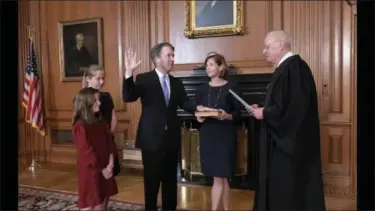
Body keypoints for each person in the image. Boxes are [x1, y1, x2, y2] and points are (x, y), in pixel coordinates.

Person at [248, 30, 326, 210]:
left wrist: (265, 113)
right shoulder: (287, 68)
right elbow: (281, 103)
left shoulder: (294, 68)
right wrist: (262, 108)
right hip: (283, 145)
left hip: (289, 149)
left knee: (288, 193)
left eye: (267, 47)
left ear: (280, 45)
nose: (264, 51)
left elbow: (294, 111)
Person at [122, 42, 196, 210]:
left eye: (173, 55)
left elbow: (185, 103)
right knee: (151, 185)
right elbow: (128, 96)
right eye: (168, 55)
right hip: (151, 141)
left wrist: (200, 109)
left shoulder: (177, 83)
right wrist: (128, 73)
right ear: (156, 59)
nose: (172, 59)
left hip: (171, 141)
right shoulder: (144, 79)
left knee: (170, 184)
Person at [195, 53, 242, 210]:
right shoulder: (202, 89)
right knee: (221, 178)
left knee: (219, 177)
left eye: (211, 64)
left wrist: (226, 115)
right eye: (206, 65)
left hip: (225, 135)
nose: (207, 68)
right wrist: (200, 117)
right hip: (208, 135)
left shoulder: (232, 87)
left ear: (221, 67)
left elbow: (237, 113)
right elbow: (197, 114)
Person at [72, 87, 118, 210]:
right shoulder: (80, 126)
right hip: (91, 170)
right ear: (86, 103)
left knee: (102, 199)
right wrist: (102, 169)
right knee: (90, 201)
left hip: (106, 166)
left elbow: (110, 143)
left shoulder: (101, 121)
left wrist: (111, 164)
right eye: (96, 100)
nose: (100, 103)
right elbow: (86, 152)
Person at [82, 64, 120, 177]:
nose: (102, 81)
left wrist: (109, 137)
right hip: (93, 144)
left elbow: (113, 118)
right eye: (98, 78)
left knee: (109, 177)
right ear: (88, 79)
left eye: (103, 78)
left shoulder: (107, 96)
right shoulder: (82, 98)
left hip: (107, 140)